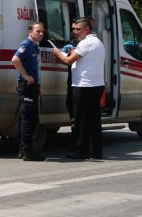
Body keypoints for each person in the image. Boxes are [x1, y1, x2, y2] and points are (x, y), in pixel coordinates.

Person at [52, 17, 105, 160]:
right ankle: (95, 151)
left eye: (78, 29)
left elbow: (68, 61)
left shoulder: (86, 43)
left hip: (83, 86)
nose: (75, 32)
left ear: (87, 29)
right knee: (93, 120)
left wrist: (58, 53)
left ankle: (80, 151)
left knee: (80, 121)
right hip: (96, 85)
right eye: (73, 29)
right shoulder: (97, 42)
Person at [11, 22, 47, 162]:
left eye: (42, 31)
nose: (40, 34)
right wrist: (26, 76)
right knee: (27, 119)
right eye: (38, 31)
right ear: (30, 32)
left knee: (31, 118)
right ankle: (28, 151)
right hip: (26, 86)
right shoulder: (26, 45)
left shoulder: (34, 46)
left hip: (33, 86)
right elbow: (15, 60)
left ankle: (22, 150)